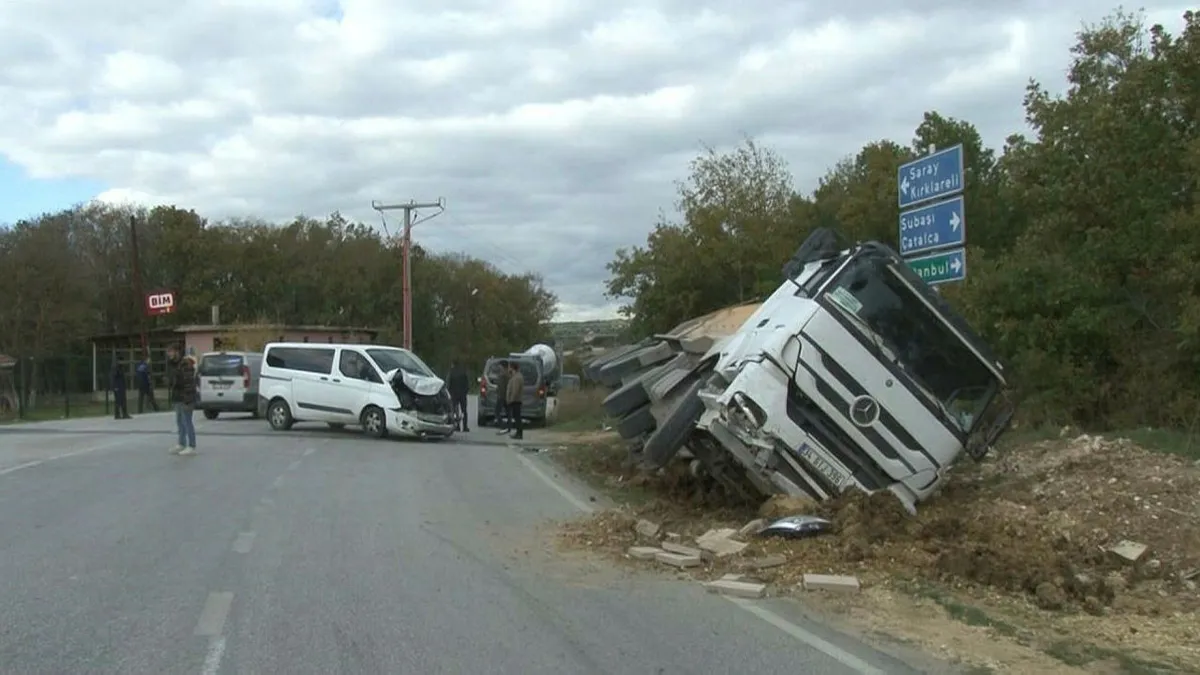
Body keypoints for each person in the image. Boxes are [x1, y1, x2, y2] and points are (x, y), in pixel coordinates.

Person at [166, 345, 198, 456]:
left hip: (186, 396)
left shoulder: (185, 364)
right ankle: (181, 443)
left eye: (171, 351)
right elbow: (171, 378)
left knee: (187, 421)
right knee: (179, 421)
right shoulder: (171, 364)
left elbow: (188, 382)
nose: (169, 354)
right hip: (177, 396)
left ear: (177, 352)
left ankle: (192, 445)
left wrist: (187, 398)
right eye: (168, 352)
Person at [446, 360, 470, 432]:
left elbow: (448, 384)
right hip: (462, 394)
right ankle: (465, 426)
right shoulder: (463, 372)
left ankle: (457, 426)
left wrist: (449, 392)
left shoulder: (451, 372)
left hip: (454, 394)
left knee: (455, 411)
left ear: (453, 364)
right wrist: (465, 392)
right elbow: (467, 384)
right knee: (464, 410)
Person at [505, 360, 525, 440]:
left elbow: (515, 390)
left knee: (517, 418)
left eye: (509, 367)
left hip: (516, 400)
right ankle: (518, 432)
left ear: (512, 368)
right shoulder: (514, 376)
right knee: (517, 417)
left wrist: (511, 400)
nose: (508, 369)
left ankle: (519, 433)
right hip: (515, 400)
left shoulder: (517, 377)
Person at [493, 359, 510, 434]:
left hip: (502, 396)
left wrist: (500, 394)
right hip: (504, 396)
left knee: (497, 412)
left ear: (503, 366)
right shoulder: (506, 374)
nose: (499, 367)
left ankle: (503, 426)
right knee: (508, 412)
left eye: (500, 366)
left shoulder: (503, 375)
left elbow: (503, 387)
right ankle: (507, 427)